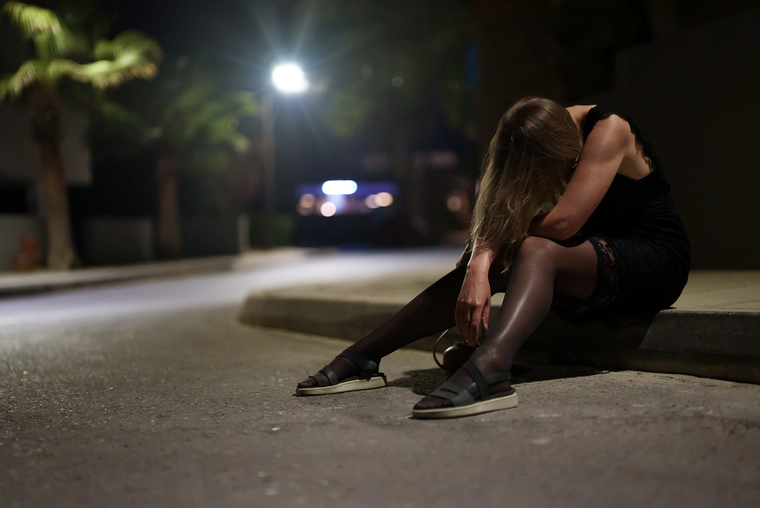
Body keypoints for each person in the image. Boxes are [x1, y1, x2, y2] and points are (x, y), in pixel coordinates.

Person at [295, 97, 691, 419]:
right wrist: (478, 268)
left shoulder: (609, 129)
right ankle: (364, 355)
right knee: (511, 252)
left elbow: (564, 223)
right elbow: (506, 216)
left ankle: (492, 369)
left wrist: (485, 256)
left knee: (536, 247)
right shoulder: (535, 136)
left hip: (653, 260)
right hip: (590, 260)